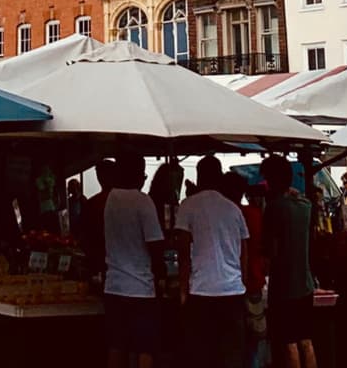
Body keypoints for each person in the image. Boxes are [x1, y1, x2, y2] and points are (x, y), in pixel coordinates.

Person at [174, 157, 250, 368]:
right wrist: (241, 279)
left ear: (199, 176)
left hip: (201, 291)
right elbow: (244, 249)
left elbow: (183, 251)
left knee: (202, 355)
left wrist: (182, 288)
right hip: (233, 290)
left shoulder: (188, 206)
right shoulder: (233, 209)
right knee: (231, 356)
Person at [103, 152, 165, 368]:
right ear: (139, 174)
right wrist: (161, 273)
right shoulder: (142, 201)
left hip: (114, 285)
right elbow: (155, 243)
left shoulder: (111, 198)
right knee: (145, 346)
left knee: (117, 344)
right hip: (141, 287)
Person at [262, 155, 317, 368]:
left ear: (273, 179)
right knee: (306, 339)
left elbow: (270, 249)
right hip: (305, 283)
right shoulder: (305, 205)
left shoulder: (274, 208)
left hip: (284, 285)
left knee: (288, 341)